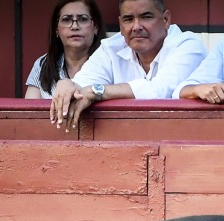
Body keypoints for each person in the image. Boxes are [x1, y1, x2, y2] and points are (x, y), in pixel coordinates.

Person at [50, 0, 206, 131]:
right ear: (120, 24)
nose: (136, 26)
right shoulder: (111, 48)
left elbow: (160, 90)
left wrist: (98, 91)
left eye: (146, 17)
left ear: (166, 20)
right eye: (128, 19)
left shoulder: (188, 45)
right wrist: (67, 84)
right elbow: (83, 84)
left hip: (179, 140)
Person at [25, 0, 107, 99]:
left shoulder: (109, 63)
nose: (75, 26)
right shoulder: (43, 64)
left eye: (83, 19)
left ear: (95, 27)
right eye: (67, 19)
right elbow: (30, 111)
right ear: (56, 28)